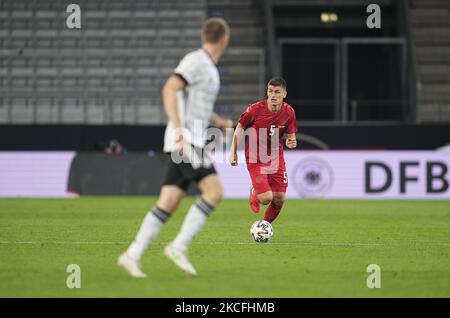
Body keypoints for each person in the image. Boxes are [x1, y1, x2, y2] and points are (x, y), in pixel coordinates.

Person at [118, 18, 232, 277]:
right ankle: (179, 246)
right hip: (186, 141)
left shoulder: (209, 69)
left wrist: (219, 122)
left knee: (168, 201)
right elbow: (170, 88)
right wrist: (180, 129)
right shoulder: (196, 61)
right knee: (214, 192)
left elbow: (198, 104)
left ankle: (131, 255)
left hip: (191, 139)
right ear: (224, 40)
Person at [229, 77, 297, 224]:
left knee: (279, 197)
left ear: (284, 94)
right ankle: (254, 192)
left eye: (277, 92)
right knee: (266, 198)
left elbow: (291, 137)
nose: (273, 95)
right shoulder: (254, 109)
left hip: (275, 157)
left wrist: (291, 141)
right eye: (270, 91)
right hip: (255, 157)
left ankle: (264, 226)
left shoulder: (289, 112)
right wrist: (233, 151)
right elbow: (240, 128)